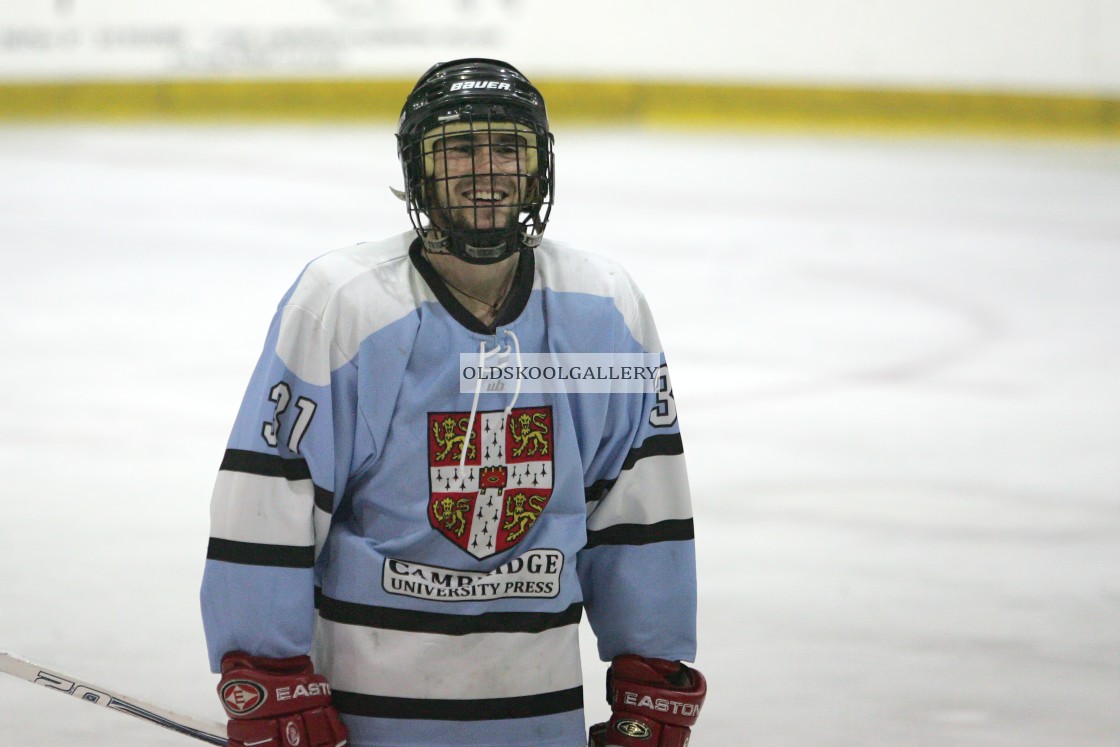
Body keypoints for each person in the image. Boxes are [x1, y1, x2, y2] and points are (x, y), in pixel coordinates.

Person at [200, 58, 705, 747]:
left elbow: (641, 506)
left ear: (539, 167)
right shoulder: (346, 304)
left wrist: (652, 673)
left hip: (538, 715)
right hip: (371, 715)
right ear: (419, 168)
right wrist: (266, 672)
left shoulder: (602, 308)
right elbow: (271, 499)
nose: (486, 170)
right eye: (460, 148)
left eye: (507, 147)